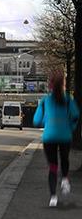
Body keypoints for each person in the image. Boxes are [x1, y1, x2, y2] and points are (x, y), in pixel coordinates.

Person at [33, 70, 79, 207]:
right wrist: (70, 127)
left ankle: (53, 197)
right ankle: (65, 179)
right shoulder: (68, 100)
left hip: (49, 137)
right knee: (65, 158)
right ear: (64, 84)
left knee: (53, 166)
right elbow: (76, 115)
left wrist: (47, 122)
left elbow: (36, 121)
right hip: (65, 136)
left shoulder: (45, 101)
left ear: (50, 85)